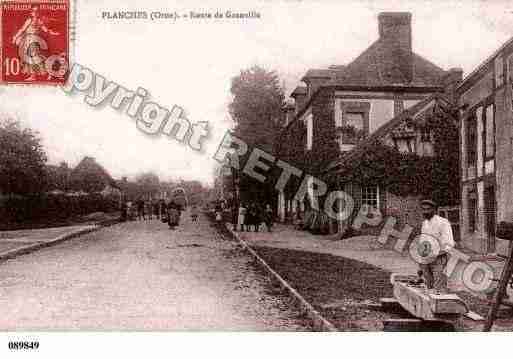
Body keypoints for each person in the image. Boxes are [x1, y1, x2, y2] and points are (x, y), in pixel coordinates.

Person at [418, 199, 455, 292]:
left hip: (439, 258)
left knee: (439, 286)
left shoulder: (443, 222)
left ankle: (443, 304)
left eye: (428, 209)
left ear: (434, 210)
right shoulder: (424, 223)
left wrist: (438, 254)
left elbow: (449, 243)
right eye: (423, 209)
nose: (425, 211)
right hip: (426, 259)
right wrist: (421, 261)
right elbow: (423, 241)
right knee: (428, 286)